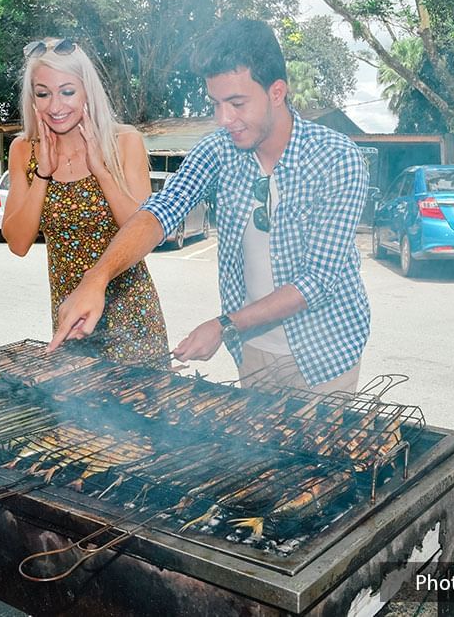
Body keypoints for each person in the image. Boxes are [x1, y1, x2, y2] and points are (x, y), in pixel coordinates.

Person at [49, 20, 369, 393]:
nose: (223, 119)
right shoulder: (218, 148)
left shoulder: (337, 158)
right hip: (252, 350)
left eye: (236, 103)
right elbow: (163, 209)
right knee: (262, 452)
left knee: (321, 452)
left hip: (327, 351)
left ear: (277, 92)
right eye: (216, 104)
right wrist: (97, 277)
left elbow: (317, 281)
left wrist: (224, 325)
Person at [2, 37, 168, 364]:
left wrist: (102, 172)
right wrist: (43, 174)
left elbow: (144, 234)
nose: (55, 106)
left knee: (144, 414)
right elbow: (18, 243)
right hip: (71, 319)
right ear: (32, 98)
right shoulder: (24, 150)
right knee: (79, 413)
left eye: (67, 91)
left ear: (87, 92)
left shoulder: (124, 141)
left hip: (132, 320)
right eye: (43, 94)